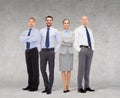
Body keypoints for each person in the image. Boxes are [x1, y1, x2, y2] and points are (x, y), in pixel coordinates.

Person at [74, 16, 95, 93]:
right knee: (81, 69)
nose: (84, 21)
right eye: (83, 19)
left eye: (86, 19)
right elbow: (75, 41)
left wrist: (93, 49)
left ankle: (87, 86)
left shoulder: (89, 30)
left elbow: (92, 40)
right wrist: (79, 50)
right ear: (81, 21)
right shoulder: (77, 30)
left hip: (90, 50)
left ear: (87, 21)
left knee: (87, 69)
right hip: (82, 49)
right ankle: (79, 87)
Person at [40, 16, 60, 94]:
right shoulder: (41, 31)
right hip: (43, 52)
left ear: (52, 21)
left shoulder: (55, 31)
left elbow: (59, 43)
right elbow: (38, 41)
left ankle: (49, 88)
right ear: (45, 21)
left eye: (50, 20)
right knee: (42, 70)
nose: (49, 21)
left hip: (51, 52)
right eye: (47, 20)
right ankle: (46, 86)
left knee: (51, 71)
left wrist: (54, 51)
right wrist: (39, 51)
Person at [20, 17, 40, 92]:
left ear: (34, 23)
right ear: (28, 23)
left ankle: (35, 86)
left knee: (35, 69)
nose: (31, 23)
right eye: (29, 22)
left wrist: (25, 37)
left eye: (32, 21)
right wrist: (29, 37)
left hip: (33, 50)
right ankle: (30, 84)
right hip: (27, 51)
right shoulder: (25, 31)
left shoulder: (37, 31)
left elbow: (34, 39)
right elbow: (20, 39)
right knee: (29, 69)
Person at [59, 19, 74, 93]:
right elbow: (60, 42)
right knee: (63, 70)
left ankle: (68, 87)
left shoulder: (72, 33)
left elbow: (72, 41)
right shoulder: (59, 33)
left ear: (69, 24)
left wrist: (64, 41)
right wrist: (68, 41)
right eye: (65, 23)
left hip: (70, 53)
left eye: (67, 23)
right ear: (63, 24)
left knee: (69, 70)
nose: (66, 24)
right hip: (62, 53)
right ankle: (64, 87)